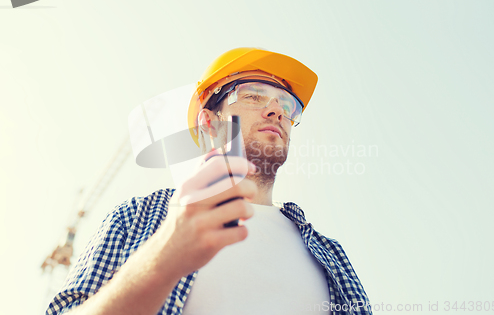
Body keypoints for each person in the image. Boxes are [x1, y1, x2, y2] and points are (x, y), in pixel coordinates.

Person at [46, 47, 372, 315]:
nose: (277, 111)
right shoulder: (138, 217)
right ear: (209, 121)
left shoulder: (331, 254)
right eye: (253, 96)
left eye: (287, 105)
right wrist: (163, 257)